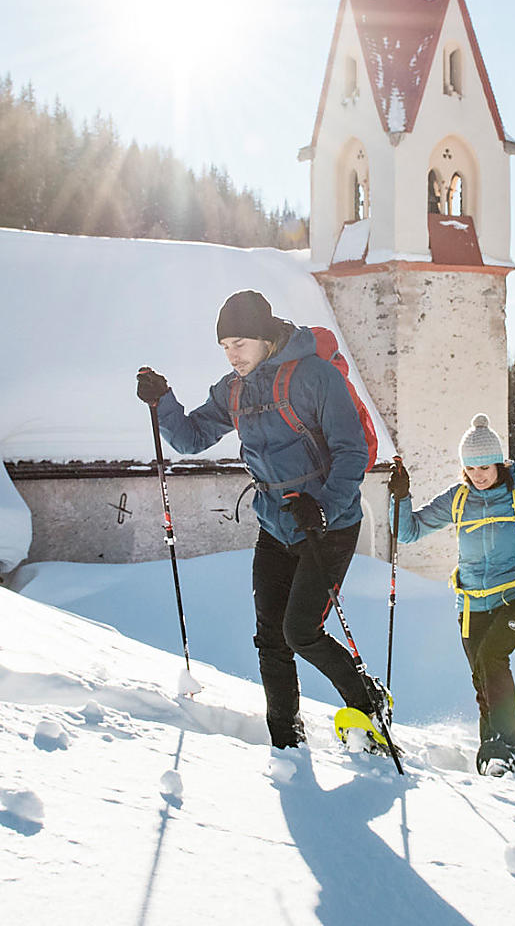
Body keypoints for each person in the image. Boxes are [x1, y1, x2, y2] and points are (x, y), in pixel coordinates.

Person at [136, 289, 379, 750]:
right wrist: (162, 401)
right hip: (275, 523)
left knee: (301, 630)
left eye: (240, 343)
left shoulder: (314, 378)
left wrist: (323, 505)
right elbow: (190, 438)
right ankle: (285, 741)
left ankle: (367, 706)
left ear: (266, 338)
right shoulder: (233, 389)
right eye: (225, 346)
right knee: (271, 637)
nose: (233, 355)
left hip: (329, 523)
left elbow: (352, 453)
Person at [389, 413, 515, 776]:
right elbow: (407, 532)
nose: (479, 474)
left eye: (485, 466)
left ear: (499, 462)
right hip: (470, 605)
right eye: (471, 467)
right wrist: (401, 497)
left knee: (492, 657)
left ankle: (510, 744)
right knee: (482, 677)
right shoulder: (458, 499)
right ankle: (493, 751)